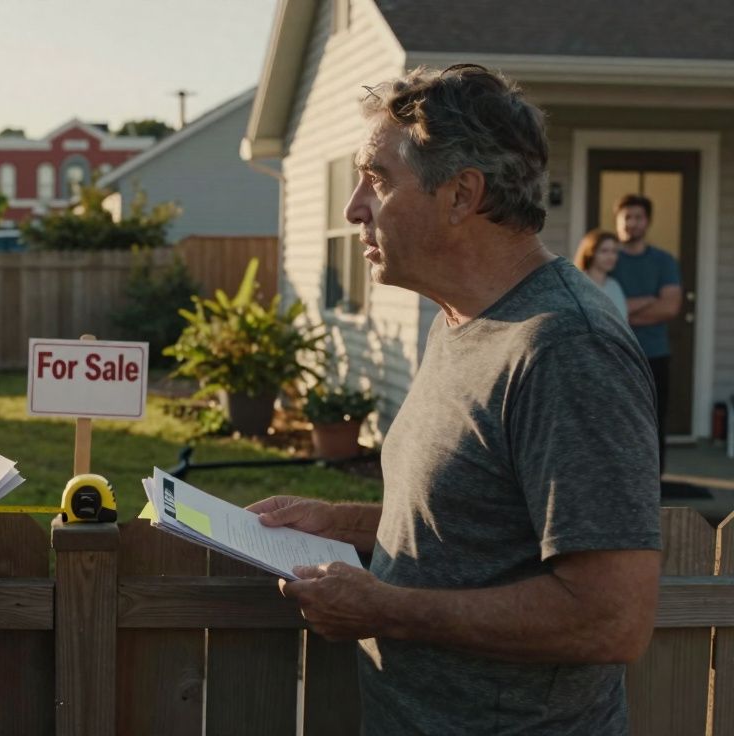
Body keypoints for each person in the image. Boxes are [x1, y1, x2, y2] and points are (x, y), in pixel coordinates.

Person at [249, 65, 660, 734]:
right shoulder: (462, 321)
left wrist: (384, 610)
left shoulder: (563, 348)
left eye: (378, 180)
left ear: (461, 195)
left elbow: (608, 617)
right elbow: (473, 523)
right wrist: (340, 523)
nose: (354, 207)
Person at [611, 193, 682, 471]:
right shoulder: (606, 257)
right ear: (618, 222)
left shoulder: (663, 261)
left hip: (654, 354)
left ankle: (654, 483)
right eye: (626, 217)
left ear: (647, 222)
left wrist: (622, 311)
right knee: (613, 420)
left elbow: (670, 308)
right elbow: (599, 306)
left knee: (652, 422)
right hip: (613, 352)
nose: (632, 223)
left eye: (638, 217)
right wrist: (647, 300)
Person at [574, 229, 629, 319]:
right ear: (590, 253)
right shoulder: (577, 284)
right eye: (604, 251)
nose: (610, 256)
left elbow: (623, 321)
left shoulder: (614, 286)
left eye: (614, 251)